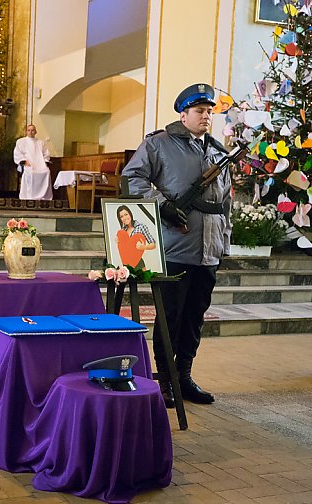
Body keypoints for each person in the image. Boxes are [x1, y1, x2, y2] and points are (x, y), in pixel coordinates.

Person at [122, 83, 232, 409]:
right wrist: (161, 205)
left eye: (210, 111)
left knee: (195, 317)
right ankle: (165, 379)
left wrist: (223, 243)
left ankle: (184, 376)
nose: (206, 116)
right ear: (183, 114)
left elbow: (224, 203)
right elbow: (131, 179)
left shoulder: (217, 151)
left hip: (208, 250)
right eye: (200, 111)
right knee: (169, 317)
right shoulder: (159, 144)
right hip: (175, 246)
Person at [13, 124, 53, 200]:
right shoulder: (21, 142)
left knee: (46, 172)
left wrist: (45, 161)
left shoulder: (41, 142)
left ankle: (43, 196)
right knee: (30, 172)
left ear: (35, 132)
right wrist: (24, 161)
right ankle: (29, 196)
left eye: (32, 130)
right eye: (29, 130)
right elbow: (17, 153)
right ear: (26, 132)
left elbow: (46, 153)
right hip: (28, 164)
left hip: (39, 164)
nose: (30, 132)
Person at [116, 205, 156, 269]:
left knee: (143, 279)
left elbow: (153, 244)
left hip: (139, 263)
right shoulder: (123, 231)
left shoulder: (141, 227)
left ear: (130, 214)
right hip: (125, 264)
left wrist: (143, 247)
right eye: (121, 216)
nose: (124, 218)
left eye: (126, 214)